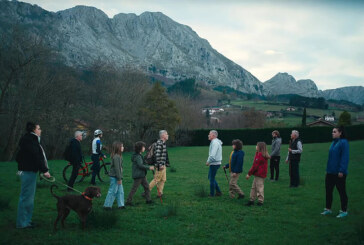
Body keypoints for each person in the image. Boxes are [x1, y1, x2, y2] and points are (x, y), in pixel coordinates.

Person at [15, 122, 51, 229]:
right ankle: (22, 223)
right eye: (39, 128)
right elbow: (36, 156)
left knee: (29, 198)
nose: (40, 130)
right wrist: (44, 170)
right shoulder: (30, 140)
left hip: (30, 171)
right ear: (33, 130)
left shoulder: (30, 140)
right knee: (26, 198)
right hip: (28, 172)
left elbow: (20, 157)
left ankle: (27, 221)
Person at [321, 126, 349, 218]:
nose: (332, 133)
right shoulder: (333, 143)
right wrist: (327, 170)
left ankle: (344, 211)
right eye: (332, 132)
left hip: (339, 173)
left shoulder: (344, 143)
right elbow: (331, 158)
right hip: (330, 172)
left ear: (340, 133)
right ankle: (328, 209)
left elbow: (344, 157)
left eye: (334, 132)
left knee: (341, 192)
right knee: (328, 191)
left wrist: (341, 170)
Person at [126, 141, 154, 205]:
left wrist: (148, 163)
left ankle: (148, 200)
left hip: (142, 175)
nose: (144, 148)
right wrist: (149, 168)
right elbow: (140, 165)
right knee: (134, 189)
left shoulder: (139, 155)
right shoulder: (138, 156)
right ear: (140, 148)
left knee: (147, 187)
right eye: (143, 147)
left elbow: (143, 163)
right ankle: (128, 201)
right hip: (138, 175)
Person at [246, 142, 270, 206]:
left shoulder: (260, 155)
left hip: (260, 174)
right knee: (254, 187)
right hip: (258, 174)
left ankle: (260, 201)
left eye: (257, 145)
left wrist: (249, 174)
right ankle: (251, 200)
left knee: (259, 187)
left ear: (260, 147)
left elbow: (255, 166)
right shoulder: (259, 154)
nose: (256, 146)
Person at [103, 141, 125, 210]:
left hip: (118, 177)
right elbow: (117, 169)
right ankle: (107, 205)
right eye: (121, 146)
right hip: (115, 177)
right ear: (118, 148)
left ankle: (121, 205)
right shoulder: (116, 157)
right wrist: (119, 179)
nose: (123, 147)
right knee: (112, 191)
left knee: (120, 191)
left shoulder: (119, 156)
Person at [149, 130, 170, 198]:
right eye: (166, 134)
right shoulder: (159, 143)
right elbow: (157, 156)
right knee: (157, 179)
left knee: (163, 179)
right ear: (163, 135)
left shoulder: (163, 143)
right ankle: (147, 191)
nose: (168, 135)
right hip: (160, 166)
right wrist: (160, 165)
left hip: (163, 165)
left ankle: (160, 193)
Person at [206, 130, 223, 197]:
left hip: (214, 163)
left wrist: (208, 161)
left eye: (209, 134)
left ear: (213, 135)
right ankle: (218, 192)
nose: (208, 135)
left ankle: (212, 194)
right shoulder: (214, 142)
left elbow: (212, 155)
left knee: (211, 178)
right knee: (210, 177)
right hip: (215, 163)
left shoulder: (215, 143)